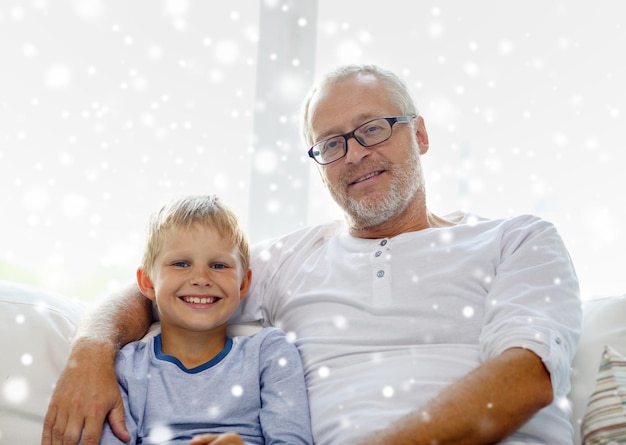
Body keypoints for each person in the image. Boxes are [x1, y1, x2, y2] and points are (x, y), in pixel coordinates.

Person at [42, 64, 582, 445]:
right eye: (331, 144)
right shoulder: (286, 262)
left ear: (419, 134)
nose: (355, 154)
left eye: (373, 129)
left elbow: (526, 376)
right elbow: (160, 290)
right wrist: (90, 352)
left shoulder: (519, 239)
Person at [99, 194, 313, 444]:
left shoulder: (269, 352)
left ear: (243, 283)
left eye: (219, 266)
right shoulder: (127, 367)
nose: (201, 278)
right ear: (147, 282)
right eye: (180, 263)